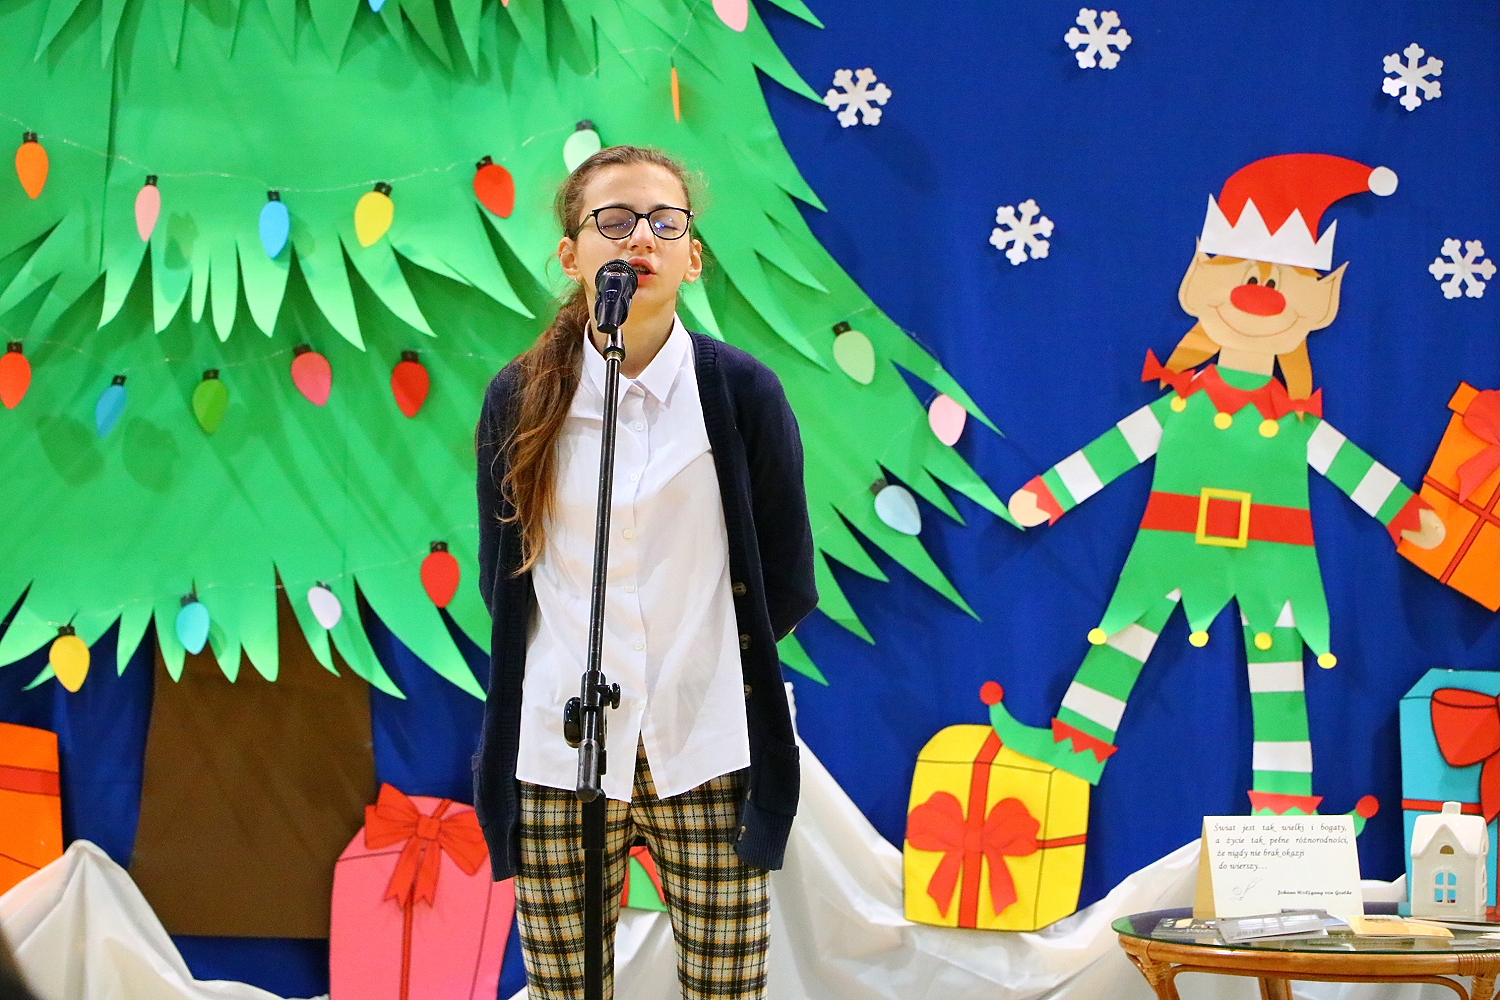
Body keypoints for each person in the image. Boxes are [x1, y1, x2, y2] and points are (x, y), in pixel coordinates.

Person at [472, 144, 817, 1000]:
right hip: (560, 750)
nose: (641, 239)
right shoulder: (520, 397)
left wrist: (699, 661)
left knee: (726, 987)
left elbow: (785, 575)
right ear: (572, 254)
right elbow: (502, 577)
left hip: (704, 746)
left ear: (693, 257)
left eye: (666, 222)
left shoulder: (742, 393)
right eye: (615, 220)